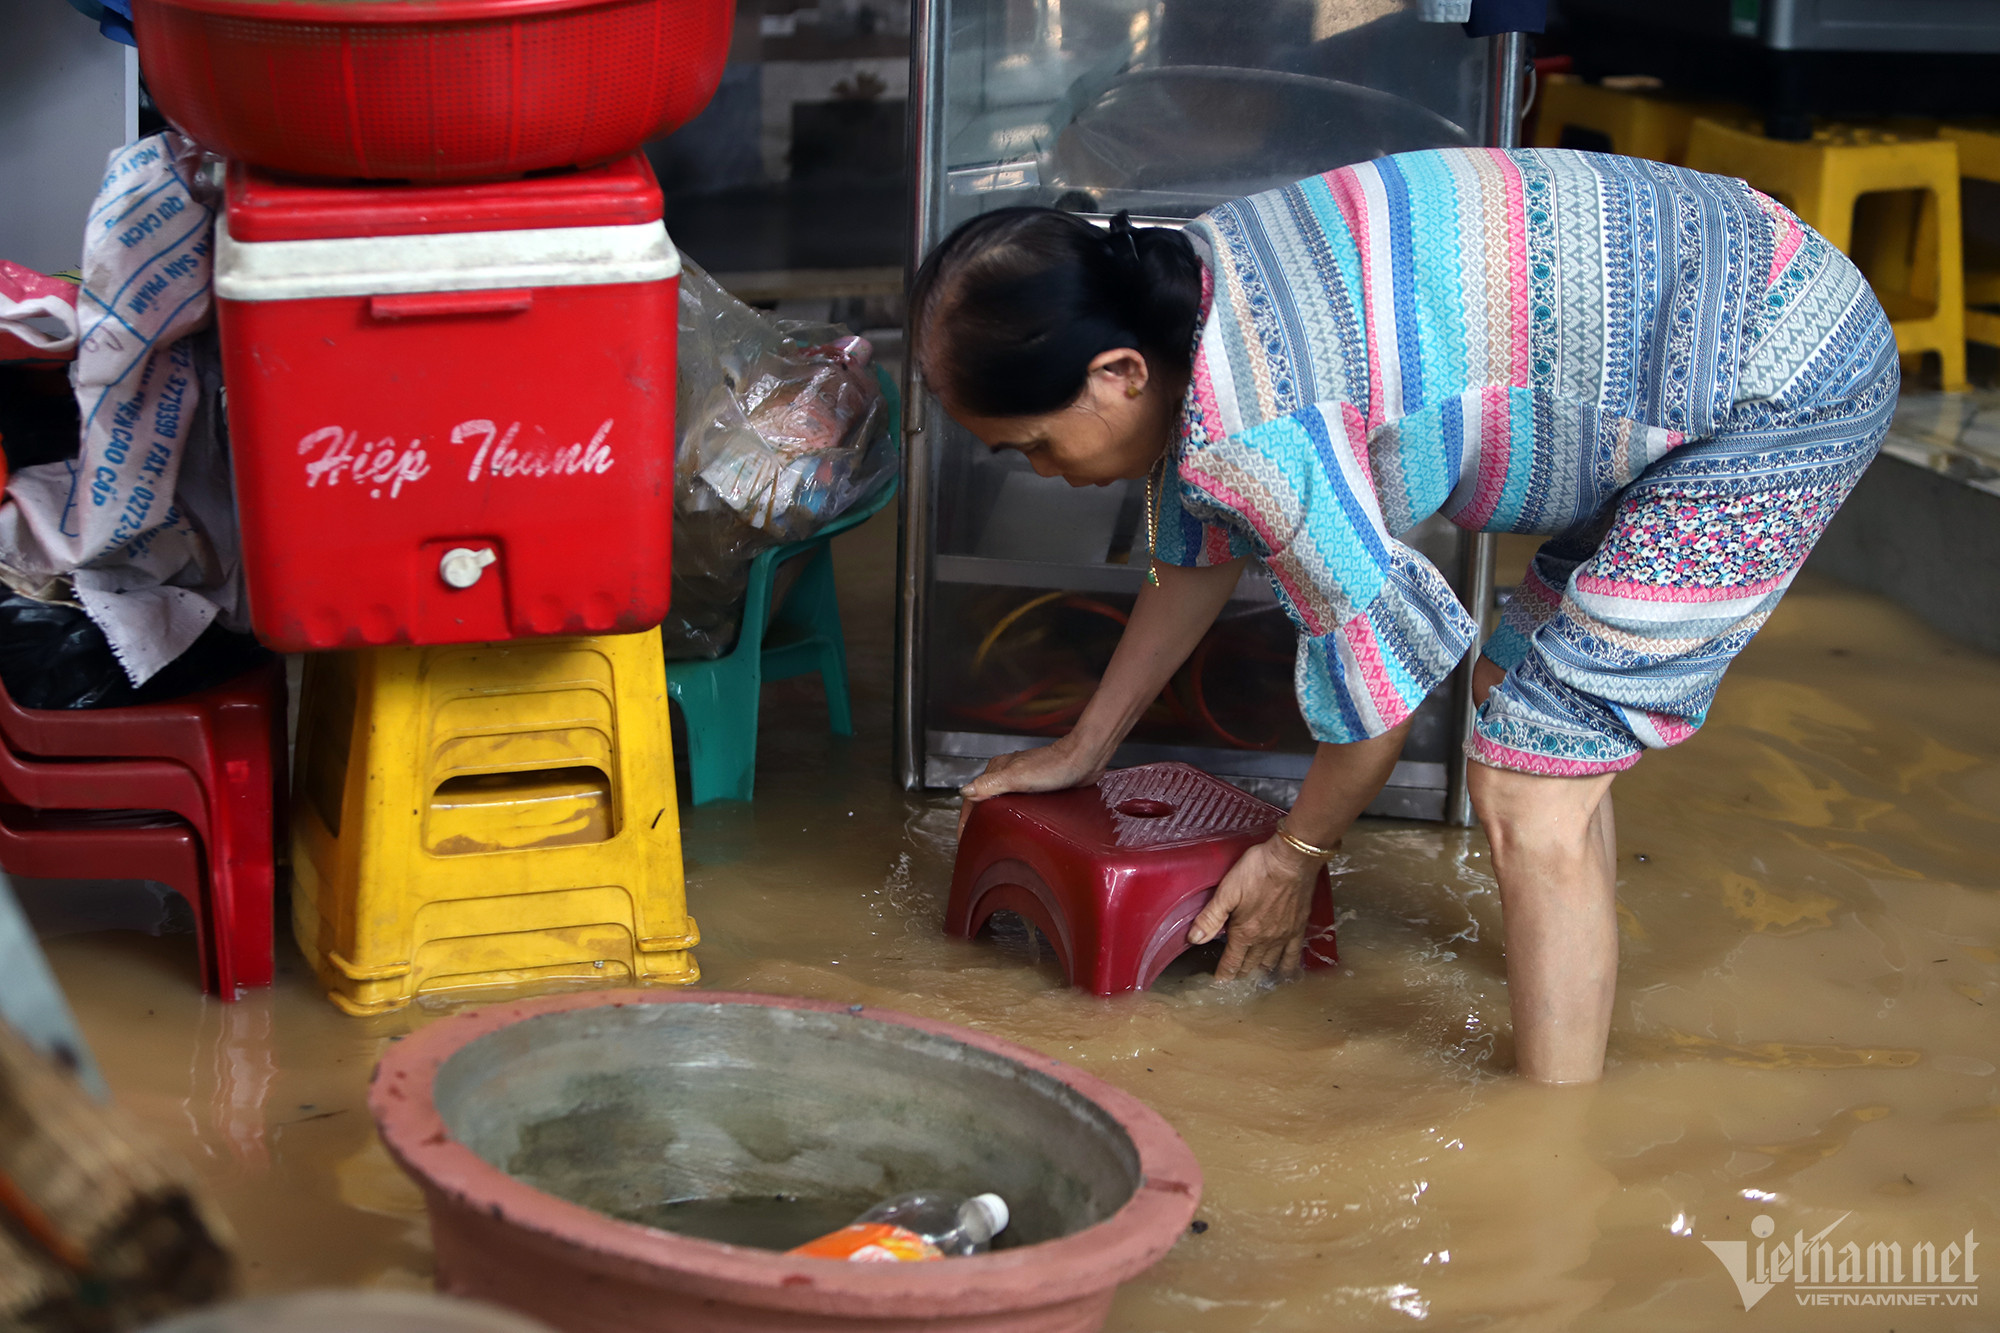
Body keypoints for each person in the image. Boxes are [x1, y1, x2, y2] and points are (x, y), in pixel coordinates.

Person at [915, 147, 1898, 1083]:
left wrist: (1294, 855)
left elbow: (1377, 693)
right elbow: (1198, 554)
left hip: (1777, 383)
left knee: (1522, 788)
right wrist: (1085, 746)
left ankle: (1551, 1165)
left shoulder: (1256, 426)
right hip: (1727, 318)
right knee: (1516, 702)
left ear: (1118, 373)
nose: (1049, 475)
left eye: (1036, 446)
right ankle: (1571, 1003)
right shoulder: (1193, 287)